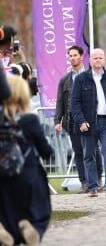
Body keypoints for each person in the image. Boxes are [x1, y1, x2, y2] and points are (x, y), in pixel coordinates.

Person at [0, 76, 53, 245]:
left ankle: (7, 232)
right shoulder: (29, 120)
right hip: (28, 173)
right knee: (40, 210)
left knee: (8, 212)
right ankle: (34, 228)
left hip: (4, 174)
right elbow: (46, 151)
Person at [71, 48, 106, 197]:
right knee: (89, 155)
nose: (98, 60)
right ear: (89, 60)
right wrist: (81, 121)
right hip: (88, 123)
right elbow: (74, 103)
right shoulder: (81, 79)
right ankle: (93, 186)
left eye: (101, 58)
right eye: (95, 58)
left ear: (104, 59)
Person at [54, 45, 103, 194]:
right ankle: (84, 182)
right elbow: (60, 101)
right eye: (70, 56)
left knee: (94, 150)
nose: (73, 58)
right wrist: (57, 120)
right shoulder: (65, 80)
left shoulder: (91, 75)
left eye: (75, 55)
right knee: (79, 152)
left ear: (82, 57)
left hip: (90, 119)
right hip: (72, 121)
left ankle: (97, 180)